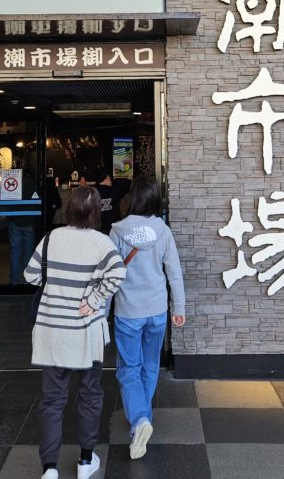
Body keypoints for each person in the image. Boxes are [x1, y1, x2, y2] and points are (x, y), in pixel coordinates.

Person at [24, 186, 126, 479]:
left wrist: (57, 284)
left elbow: (30, 275)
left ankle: (49, 468)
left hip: (52, 330)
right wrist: (94, 299)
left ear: (69, 209)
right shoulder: (101, 242)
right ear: (96, 212)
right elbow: (119, 273)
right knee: (90, 395)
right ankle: (85, 461)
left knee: (52, 401)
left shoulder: (51, 238)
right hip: (86, 331)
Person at [108, 175, 186, 460]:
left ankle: (140, 420)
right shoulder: (162, 231)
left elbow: (110, 278)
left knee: (129, 368)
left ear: (133, 198)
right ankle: (142, 421)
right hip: (156, 311)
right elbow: (174, 273)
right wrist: (179, 308)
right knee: (150, 366)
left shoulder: (117, 232)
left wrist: (102, 312)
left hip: (128, 311)